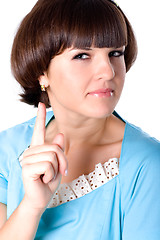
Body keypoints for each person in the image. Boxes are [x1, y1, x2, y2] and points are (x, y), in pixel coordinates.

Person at [0, 0, 160, 239]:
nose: (109, 71)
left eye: (115, 53)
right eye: (83, 55)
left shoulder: (146, 165)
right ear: (41, 72)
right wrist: (31, 207)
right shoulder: (7, 148)